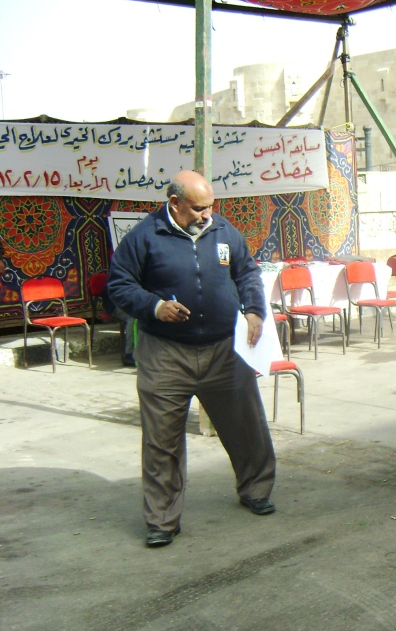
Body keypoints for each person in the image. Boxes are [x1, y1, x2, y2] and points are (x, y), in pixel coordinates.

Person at [107, 170, 277, 547]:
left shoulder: (224, 231)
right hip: (166, 354)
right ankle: (162, 521)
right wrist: (154, 306)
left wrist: (253, 310)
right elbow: (119, 285)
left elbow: (247, 271)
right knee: (161, 441)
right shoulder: (145, 236)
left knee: (246, 426)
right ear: (175, 204)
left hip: (223, 349)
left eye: (211, 206)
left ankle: (256, 490)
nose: (207, 214)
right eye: (199, 208)